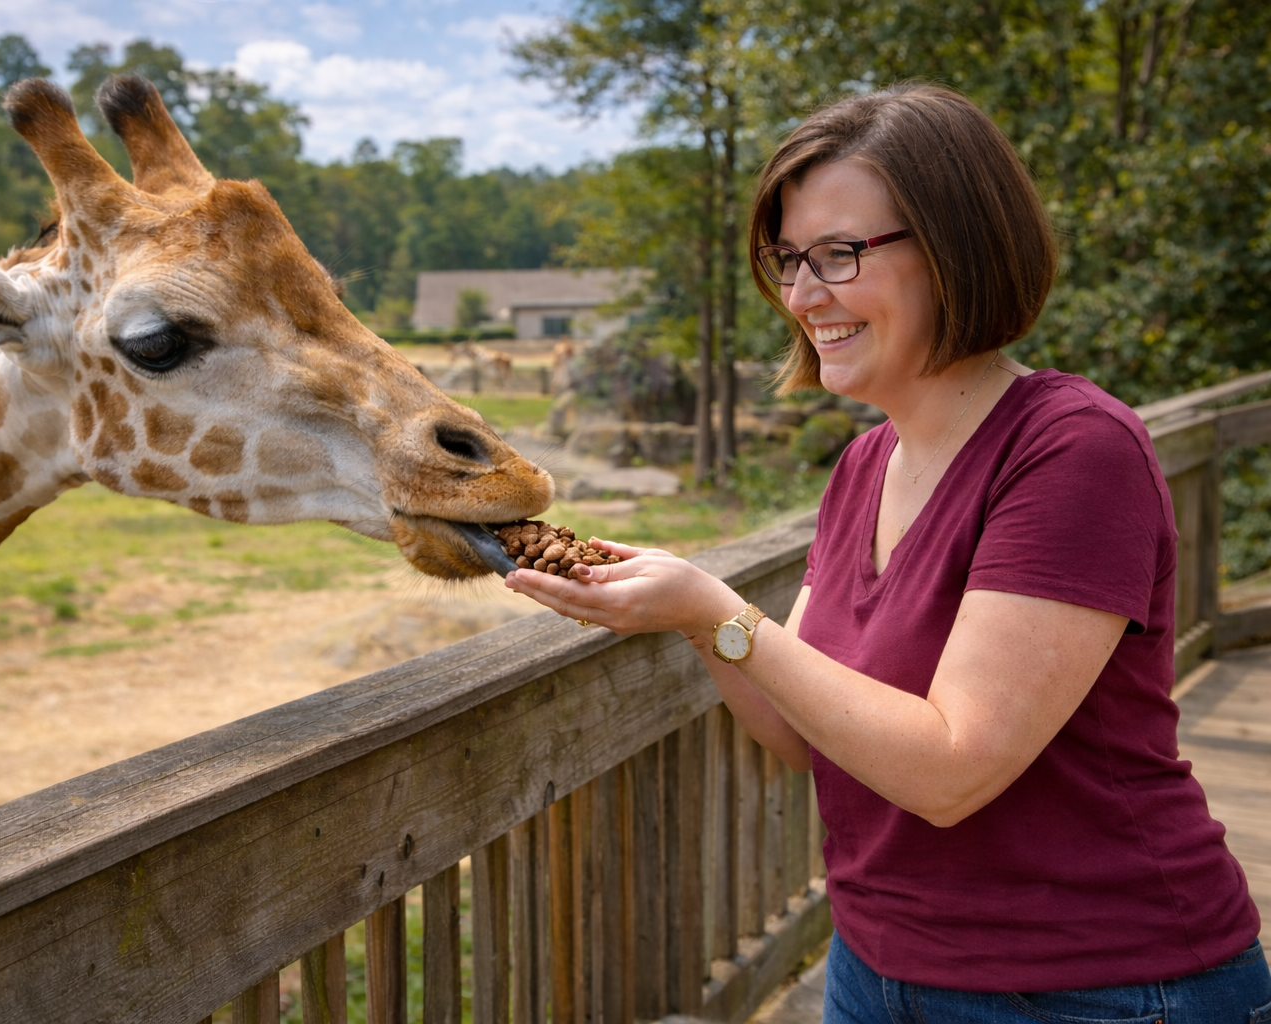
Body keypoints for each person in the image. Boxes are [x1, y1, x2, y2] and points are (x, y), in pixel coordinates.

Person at [505, 84, 1269, 1023]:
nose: (800, 295)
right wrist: (689, 620)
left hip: (1103, 987)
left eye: (839, 253)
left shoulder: (1075, 449)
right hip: (874, 968)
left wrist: (717, 609)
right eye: (788, 259)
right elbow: (797, 735)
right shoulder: (865, 463)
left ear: (956, 245)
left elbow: (950, 770)